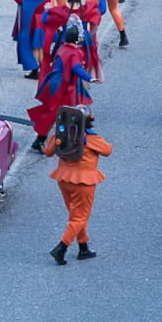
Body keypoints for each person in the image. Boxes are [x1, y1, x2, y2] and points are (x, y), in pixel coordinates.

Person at [43, 104, 111, 265]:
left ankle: (83, 246)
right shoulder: (91, 138)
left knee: (76, 216)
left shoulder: (62, 135)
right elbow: (108, 150)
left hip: (63, 179)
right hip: (84, 182)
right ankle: (62, 247)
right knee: (80, 216)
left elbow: (48, 152)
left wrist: (55, 134)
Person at [28, 22, 94, 151]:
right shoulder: (74, 53)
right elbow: (76, 68)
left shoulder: (63, 48)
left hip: (55, 83)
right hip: (61, 87)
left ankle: (49, 139)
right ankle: (43, 141)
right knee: (57, 114)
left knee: (56, 113)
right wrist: (89, 78)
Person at [7, 0, 51, 77]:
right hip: (44, 20)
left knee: (35, 46)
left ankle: (35, 70)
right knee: (40, 46)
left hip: (34, 22)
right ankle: (42, 70)